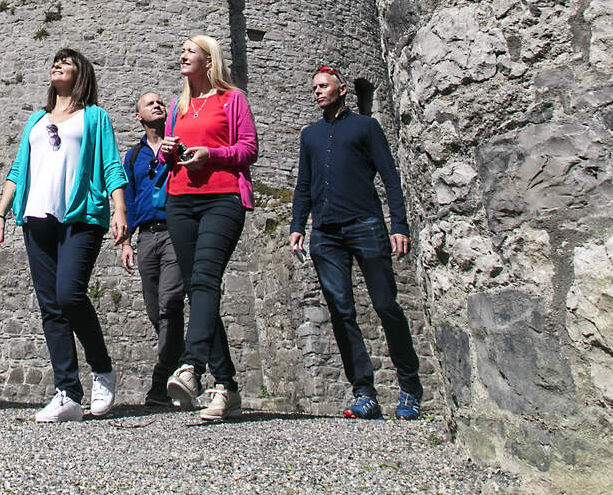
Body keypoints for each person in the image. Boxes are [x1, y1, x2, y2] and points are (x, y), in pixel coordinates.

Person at [0, 47, 128, 422]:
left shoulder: (95, 118)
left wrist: (119, 210)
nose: (57, 65)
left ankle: (102, 369)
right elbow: (18, 169)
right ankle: (67, 392)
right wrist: (1, 212)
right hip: (35, 218)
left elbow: (111, 165)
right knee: (50, 307)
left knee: (70, 294)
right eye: (54, 61)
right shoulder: (36, 120)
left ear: (80, 74)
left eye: (66, 63)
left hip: (81, 216)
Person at [288, 64, 424, 421]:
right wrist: (297, 225)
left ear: (343, 89)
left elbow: (391, 179)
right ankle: (363, 390)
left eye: (323, 86)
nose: (317, 91)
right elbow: (304, 184)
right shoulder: (310, 135)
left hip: (366, 225)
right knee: (341, 312)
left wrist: (400, 226)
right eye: (314, 87)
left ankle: (410, 386)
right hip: (326, 234)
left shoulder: (366, 127)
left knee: (385, 305)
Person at [158, 34, 258, 423]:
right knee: (199, 288)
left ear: (208, 59)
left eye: (190, 50)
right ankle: (228, 387)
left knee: (205, 280)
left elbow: (248, 148)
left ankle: (191, 366)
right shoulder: (177, 106)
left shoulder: (232, 100)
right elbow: (171, 160)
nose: (182, 54)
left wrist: (211, 155)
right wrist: (169, 153)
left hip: (223, 198)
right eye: (180, 49)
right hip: (180, 200)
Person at [118, 91, 188, 407]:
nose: (157, 105)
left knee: (170, 302)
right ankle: (184, 367)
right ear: (139, 117)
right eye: (149, 103)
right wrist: (127, 242)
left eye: (160, 102)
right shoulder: (133, 157)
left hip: (175, 233)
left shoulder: (180, 146)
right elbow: (129, 201)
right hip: (146, 237)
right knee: (154, 310)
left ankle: (160, 384)